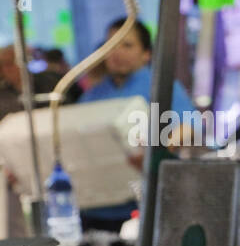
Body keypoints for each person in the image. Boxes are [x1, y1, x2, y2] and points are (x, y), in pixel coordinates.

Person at [78, 17, 197, 231]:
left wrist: (159, 152)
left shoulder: (161, 85)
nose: (117, 52)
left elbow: (190, 124)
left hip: (147, 207)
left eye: (127, 45)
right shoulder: (93, 95)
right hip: (95, 210)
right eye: (111, 45)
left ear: (146, 54)